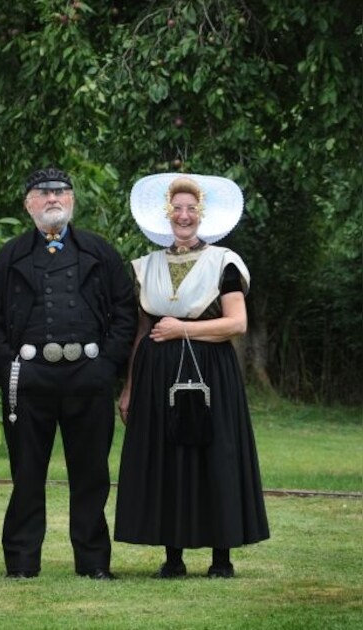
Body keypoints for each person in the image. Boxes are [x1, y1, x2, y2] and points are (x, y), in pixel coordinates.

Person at [0, 166, 136, 580]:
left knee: (92, 475)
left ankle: (94, 562)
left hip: (89, 377)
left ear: (72, 201)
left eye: (61, 192)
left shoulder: (100, 253)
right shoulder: (10, 257)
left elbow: (125, 313)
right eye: (43, 193)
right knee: (27, 475)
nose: (53, 199)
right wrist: (11, 365)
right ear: (28, 203)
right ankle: (22, 563)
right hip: (29, 382)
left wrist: (105, 367)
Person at [114, 174, 269, 578]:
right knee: (167, 459)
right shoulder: (146, 266)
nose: (184, 216)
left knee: (214, 455)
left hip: (211, 371)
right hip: (156, 373)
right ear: (166, 215)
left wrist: (184, 329)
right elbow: (141, 333)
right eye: (177, 209)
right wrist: (129, 388)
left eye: (191, 209)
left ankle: (221, 558)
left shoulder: (225, 262)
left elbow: (236, 324)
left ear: (202, 215)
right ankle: (174, 556)